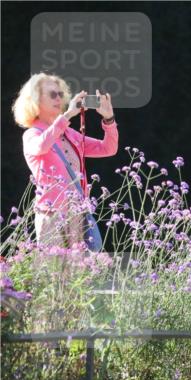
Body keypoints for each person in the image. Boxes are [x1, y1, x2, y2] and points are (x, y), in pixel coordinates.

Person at [13, 72, 118, 248]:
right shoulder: (32, 134)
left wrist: (109, 119)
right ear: (35, 100)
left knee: (77, 273)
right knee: (54, 272)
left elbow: (108, 149)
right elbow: (41, 146)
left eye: (61, 94)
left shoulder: (68, 133)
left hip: (76, 213)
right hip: (51, 214)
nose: (59, 98)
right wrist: (67, 116)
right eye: (52, 94)